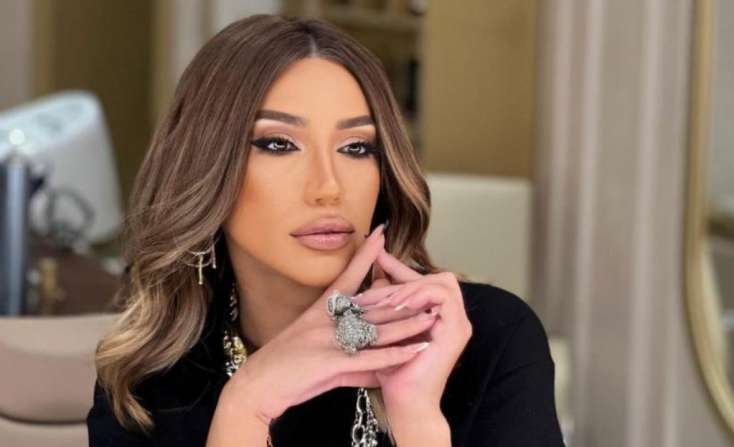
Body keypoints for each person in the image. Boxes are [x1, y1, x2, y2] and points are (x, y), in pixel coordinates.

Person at [86, 14, 565, 447]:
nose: (328, 187)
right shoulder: (148, 374)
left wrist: (417, 420)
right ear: (205, 166)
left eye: (357, 148)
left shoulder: (489, 339)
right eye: (278, 144)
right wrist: (245, 406)